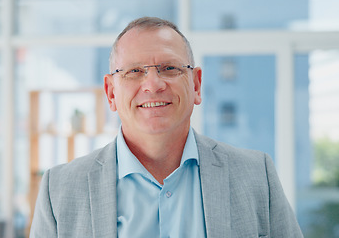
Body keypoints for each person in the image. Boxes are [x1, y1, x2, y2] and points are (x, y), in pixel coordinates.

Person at [29, 16, 303, 238]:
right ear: (111, 93)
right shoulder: (60, 190)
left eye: (169, 68)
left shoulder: (257, 176)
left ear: (196, 85)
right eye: (134, 71)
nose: (153, 84)